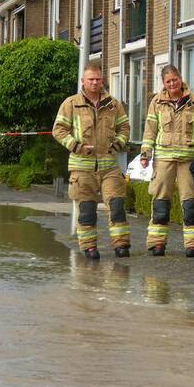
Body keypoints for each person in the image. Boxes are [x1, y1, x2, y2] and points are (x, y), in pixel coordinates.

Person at [53, 65, 131, 259]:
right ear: (83, 81)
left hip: (109, 166)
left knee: (117, 206)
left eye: (98, 79)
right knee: (87, 210)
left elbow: (124, 127)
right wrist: (76, 146)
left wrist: (118, 144)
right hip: (82, 168)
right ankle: (89, 247)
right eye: (91, 79)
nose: (95, 83)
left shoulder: (113, 104)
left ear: (102, 80)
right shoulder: (71, 104)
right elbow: (58, 130)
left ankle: (121, 245)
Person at [140, 65, 194, 257]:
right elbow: (150, 130)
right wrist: (145, 154)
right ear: (163, 83)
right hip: (164, 159)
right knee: (160, 201)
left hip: (189, 159)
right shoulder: (157, 102)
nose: (172, 84)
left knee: (190, 202)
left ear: (180, 78)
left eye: (175, 80)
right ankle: (157, 243)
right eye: (168, 81)